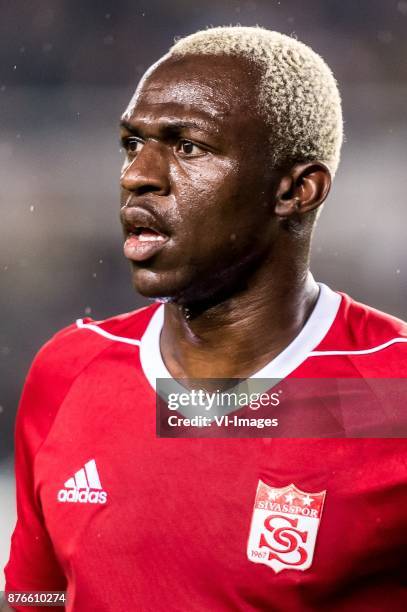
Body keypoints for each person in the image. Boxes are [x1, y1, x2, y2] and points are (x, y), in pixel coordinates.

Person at [2, 26, 407, 612]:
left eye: (187, 147)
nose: (137, 175)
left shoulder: (388, 393)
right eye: (132, 144)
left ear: (297, 190)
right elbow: (34, 596)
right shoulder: (69, 371)